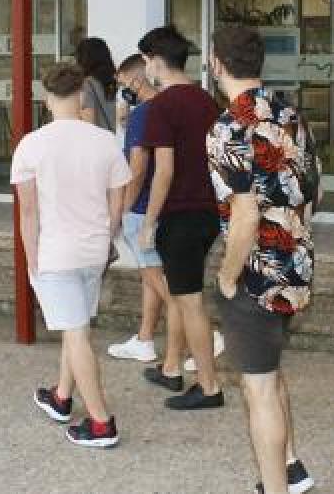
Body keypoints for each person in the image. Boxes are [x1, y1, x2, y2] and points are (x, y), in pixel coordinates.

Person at [208, 26, 319, 494]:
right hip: (295, 265)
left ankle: (274, 487)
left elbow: (245, 214)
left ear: (216, 64)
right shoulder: (291, 113)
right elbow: (312, 191)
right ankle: (291, 465)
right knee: (271, 374)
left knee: (257, 390)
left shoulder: (228, 127)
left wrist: (229, 276)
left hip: (256, 275)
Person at [12, 62, 131, 448]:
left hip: (55, 252)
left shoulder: (31, 144)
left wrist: (32, 256)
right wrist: (106, 236)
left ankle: (101, 423)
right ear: (81, 94)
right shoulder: (106, 141)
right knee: (76, 325)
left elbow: (28, 211)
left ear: (46, 98)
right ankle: (62, 397)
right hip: (94, 250)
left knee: (76, 334)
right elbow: (119, 201)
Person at [137, 25, 225, 410]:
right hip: (207, 214)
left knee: (190, 302)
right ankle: (174, 368)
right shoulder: (207, 100)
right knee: (182, 294)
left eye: (145, 62)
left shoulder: (162, 105)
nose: (145, 70)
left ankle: (209, 387)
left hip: (181, 216)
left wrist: (148, 222)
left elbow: (164, 171)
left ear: (156, 60)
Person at [106, 54, 167, 364]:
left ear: (135, 78)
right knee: (151, 277)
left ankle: (207, 336)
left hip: (142, 209)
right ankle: (145, 339)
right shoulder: (163, 107)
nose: (122, 89)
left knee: (161, 283)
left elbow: (138, 166)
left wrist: (123, 210)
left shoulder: (144, 114)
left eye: (122, 82)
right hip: (160, 205)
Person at [74, 36, 118, 132]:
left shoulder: (86, 84)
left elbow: (88, 123)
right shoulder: (117, 81)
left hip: (97, 141)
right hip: (114, 140)